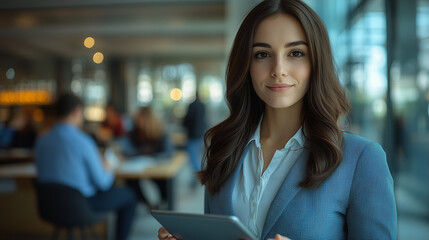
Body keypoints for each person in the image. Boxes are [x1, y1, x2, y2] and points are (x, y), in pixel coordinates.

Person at [158, 0, 397, 240]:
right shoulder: (224, 149)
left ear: (316, 63)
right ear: (247, 65)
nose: (278, 69)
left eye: (296, 53)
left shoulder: (362, 159)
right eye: (262, 54)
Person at [35, 93, 137, 240]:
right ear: (77, 111)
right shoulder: (83, 141)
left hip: (50, 207)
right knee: (129, 196)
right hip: (82, 206)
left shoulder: (41, 141)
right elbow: (103, 183)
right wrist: (108, 168)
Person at [126, 106, 173, 208]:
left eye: (141, 119)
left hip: (157, 167)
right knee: (130, 181)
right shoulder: (134, 132)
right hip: (138, 166)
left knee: (164, 182)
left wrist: (154, 158)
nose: (138, 122)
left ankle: (164, 203)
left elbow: (168, 153)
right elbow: (128, 151)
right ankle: (147, 204)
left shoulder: (160, 131)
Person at [183, 92, 207, 171]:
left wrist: (184, 125)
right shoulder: (202, 106)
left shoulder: (192, 105)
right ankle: (199, 174)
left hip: (193, 135)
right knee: (197, 156)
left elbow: (187, 120)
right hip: (201, 134)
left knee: (193, 157)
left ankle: (199, 174)